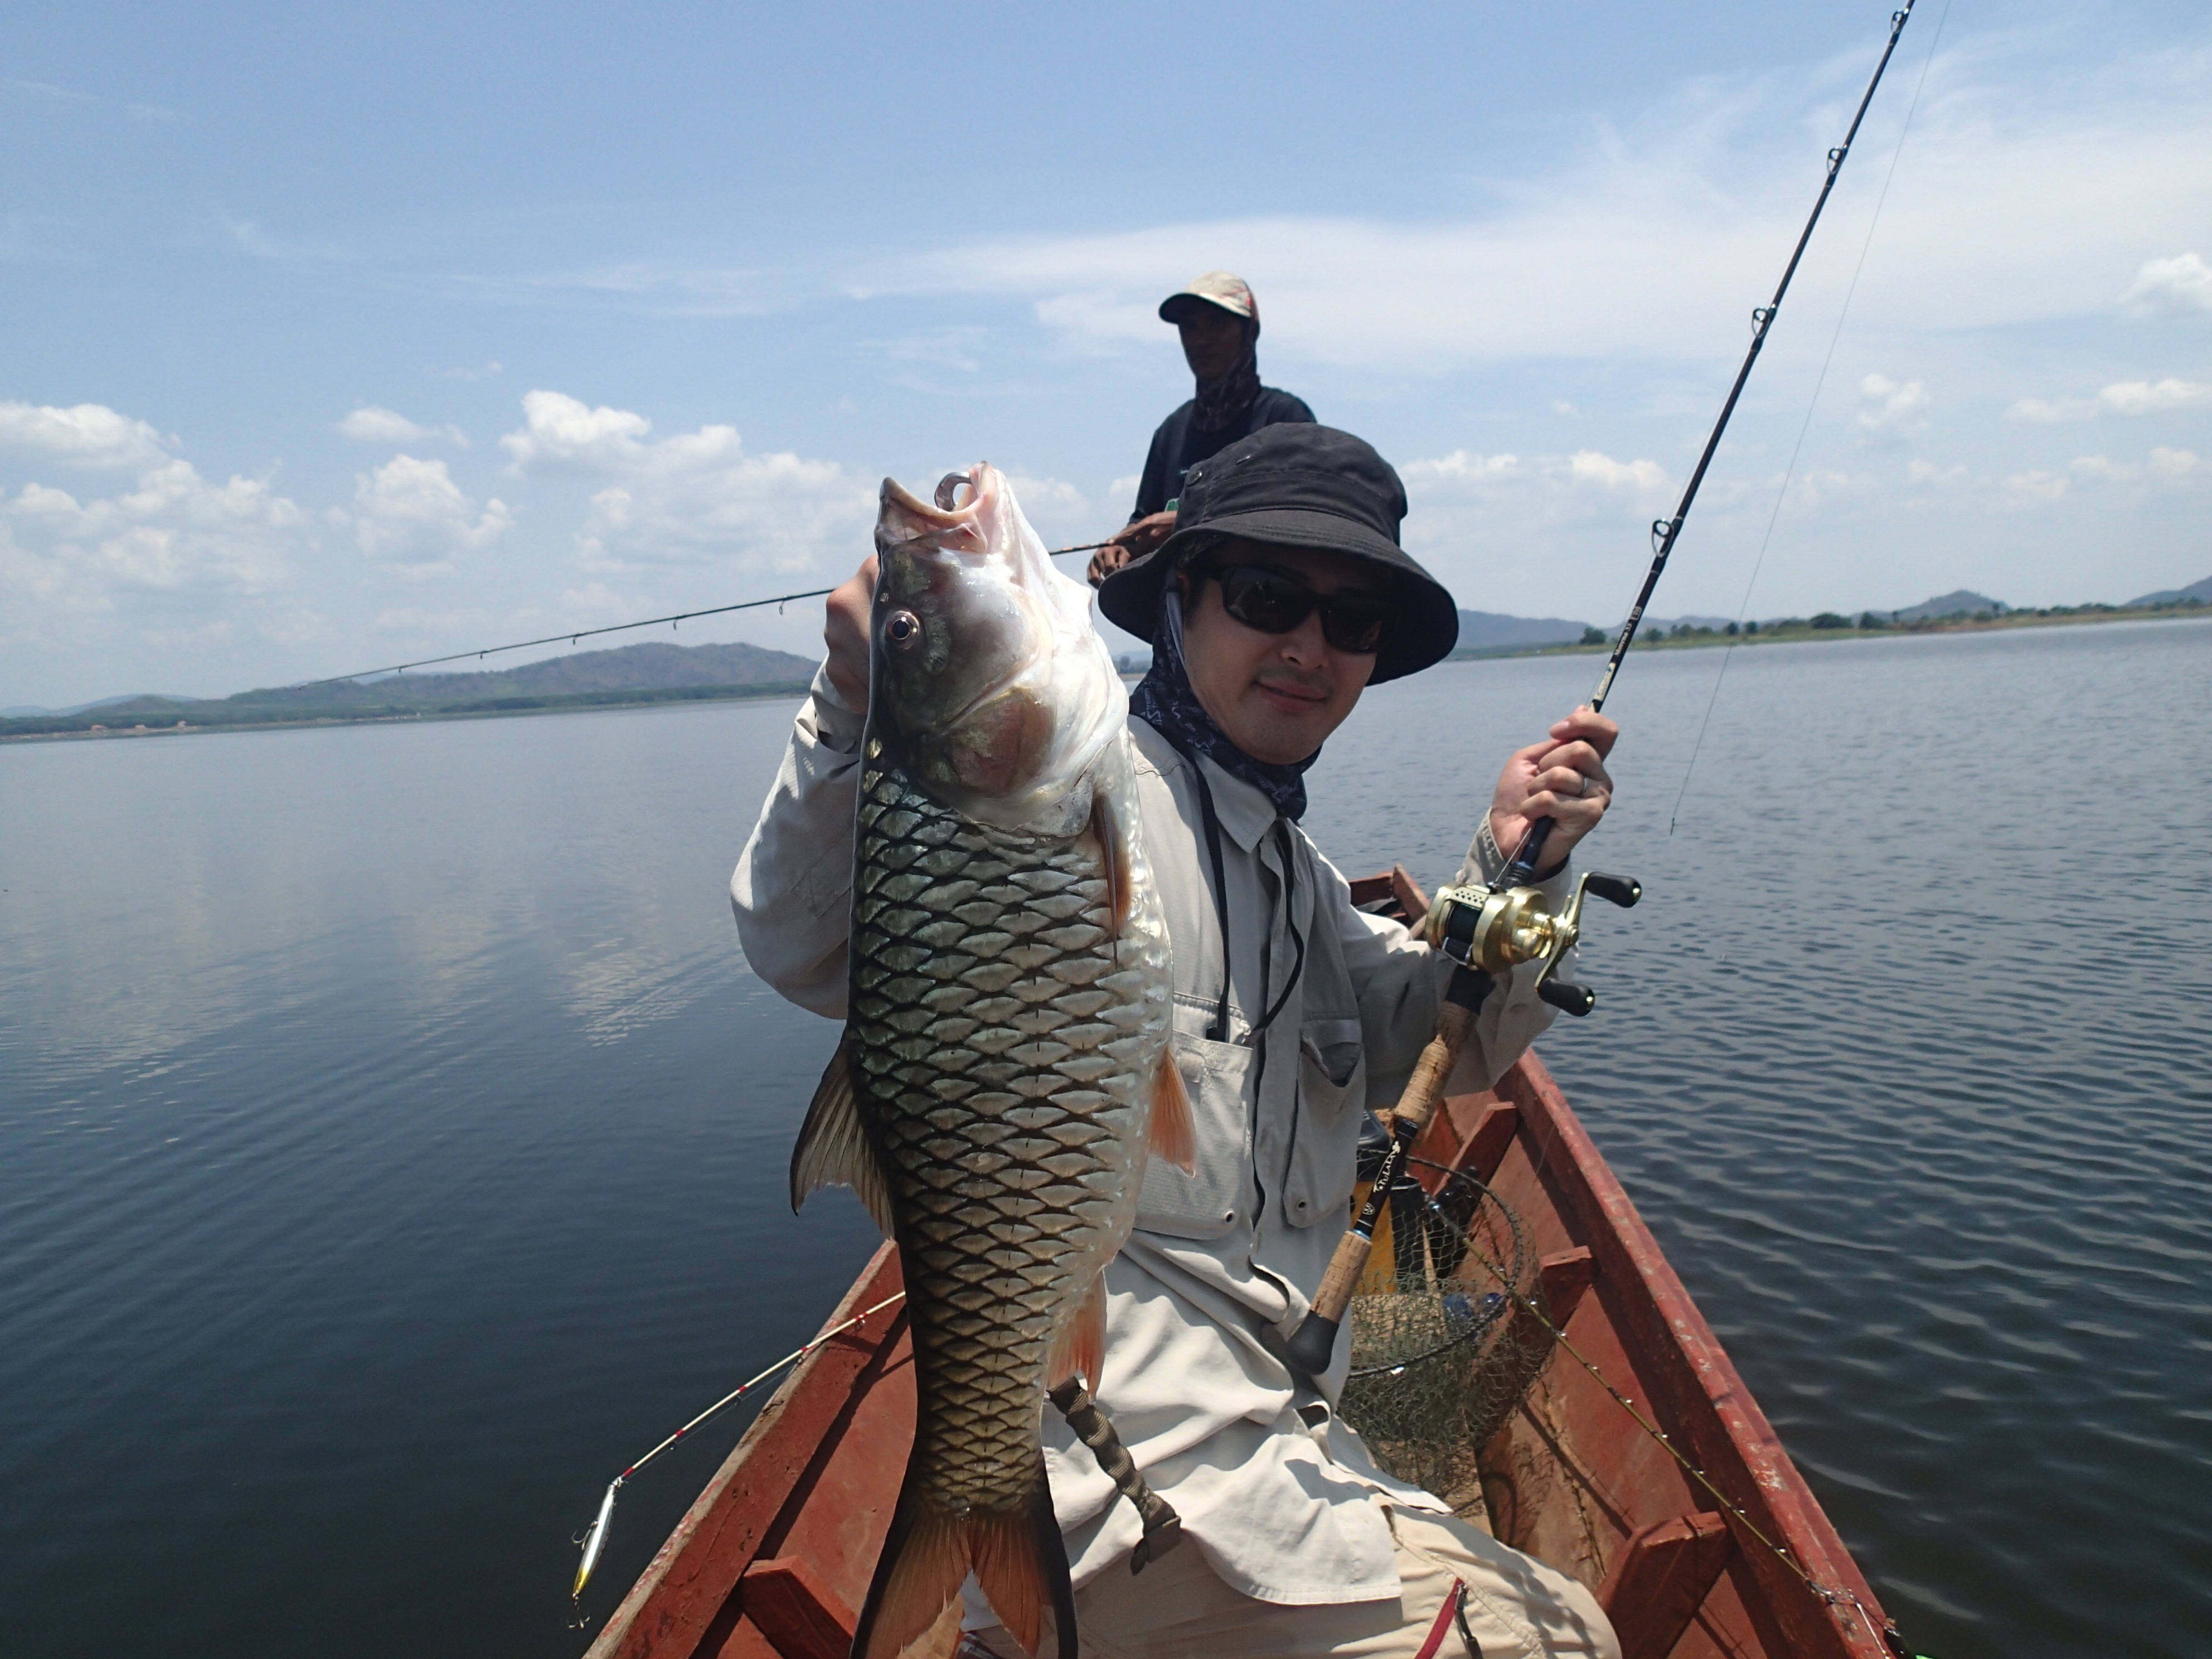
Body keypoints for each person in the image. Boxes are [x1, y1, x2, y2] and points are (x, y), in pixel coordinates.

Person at [733, 423, 1621, 1659]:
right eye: (1266, 597)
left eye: (1351, 621)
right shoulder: (1068, 793)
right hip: (1136, 1505)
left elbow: (1439, 1040)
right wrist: (859, 697)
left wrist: (1517, 861)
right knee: (1556, 1642)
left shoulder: (1294, 873)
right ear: (1180, 604)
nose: (1308, 646)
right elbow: (796, 942)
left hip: (1290, 1457)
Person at [1087, 271, 1315, 590]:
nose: (1200, 340)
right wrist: (1120, 548)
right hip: (1181, 629)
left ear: (1249, 331)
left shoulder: (1286, 419)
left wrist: (1187, 522)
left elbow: (1302, 520)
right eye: (1190, 327)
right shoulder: (1171, 432)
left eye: (1217, 325)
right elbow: (1143, 522)